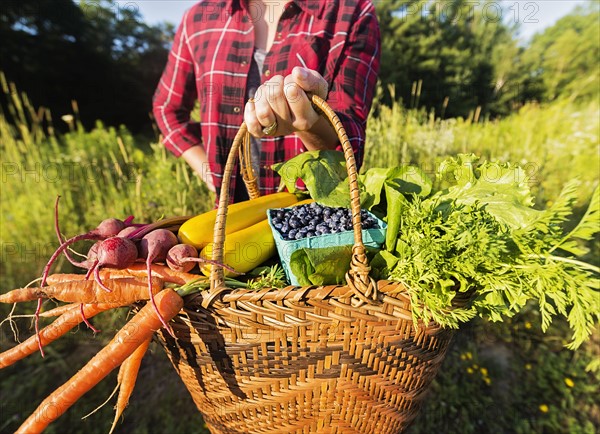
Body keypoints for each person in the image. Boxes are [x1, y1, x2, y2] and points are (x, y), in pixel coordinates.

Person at [153, 0, 380, 202]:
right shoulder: (198, 19)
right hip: (231, 221)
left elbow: (348, 146)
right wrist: (213, 176)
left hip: (310, 218)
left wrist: (310, 122)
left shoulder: (351, 11)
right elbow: (167, 108)